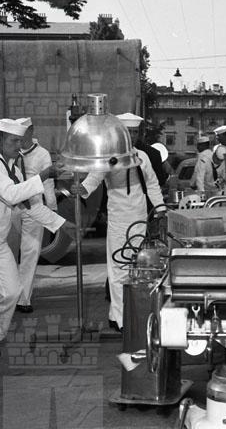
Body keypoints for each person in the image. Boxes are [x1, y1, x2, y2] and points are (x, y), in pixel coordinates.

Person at [0, 118, 70, 385]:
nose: (19, 146)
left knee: (11, 292)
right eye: (14, 141)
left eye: (20, 141)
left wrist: (61, 225)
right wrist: (43, 175)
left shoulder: (12, 168)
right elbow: (10, 194)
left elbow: (29, 204)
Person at [77, 114, 166, 331]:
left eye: (135, 132)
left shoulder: (142, 157)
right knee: (118, 268)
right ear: (120, 134)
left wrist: (160, 209)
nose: (132, 136)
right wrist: (82, 189)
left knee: (136, 268)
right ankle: (120, 319)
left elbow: (152, 184)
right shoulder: (110, 157)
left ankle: (123, 314)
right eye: (128, 132)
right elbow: (94, 177)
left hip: (139, 219)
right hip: (118, 219)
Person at [8, 117, 58, 314]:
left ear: (31, 130)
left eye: (24, 131)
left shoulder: (42, 154)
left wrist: (52, 208)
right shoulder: (10, 152)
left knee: (30, 252)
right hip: (12, 206)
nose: (20, 136)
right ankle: (9, 295)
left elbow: (48, 183)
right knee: (9, 253)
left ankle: (24, 299)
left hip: (34, 206)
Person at [212, 125, 226, 193]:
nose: (217, 138)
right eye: (216, 136)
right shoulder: (217, 148)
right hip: (222, 181)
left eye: (219, 136)